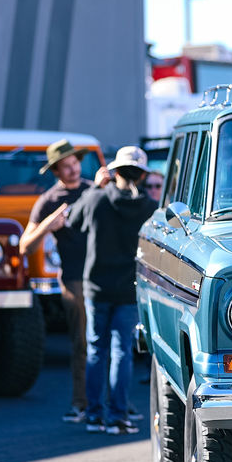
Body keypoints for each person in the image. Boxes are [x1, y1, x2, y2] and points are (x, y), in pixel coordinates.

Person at [67, 147, 158, 435]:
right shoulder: (149, 209)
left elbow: (72, 221)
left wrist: (95, 185)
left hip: (96, 287)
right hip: (128, 289)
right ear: (142, 175)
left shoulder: (96, 199)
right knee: (122, 353)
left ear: (115, 172)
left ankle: (94, 415)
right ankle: (118, 416)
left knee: (96, 349)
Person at [19, 139, 92, 423]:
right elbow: (25, 246)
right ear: (56, 171)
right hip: (74, 280)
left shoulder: (94, 191)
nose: (72, 169)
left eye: (74, 163)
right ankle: (80, 403)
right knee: (81, 343)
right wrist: (48, 226)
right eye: (65, 166)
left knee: (112, 343)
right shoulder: (48, 200)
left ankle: (111, 406)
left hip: (104, 277)